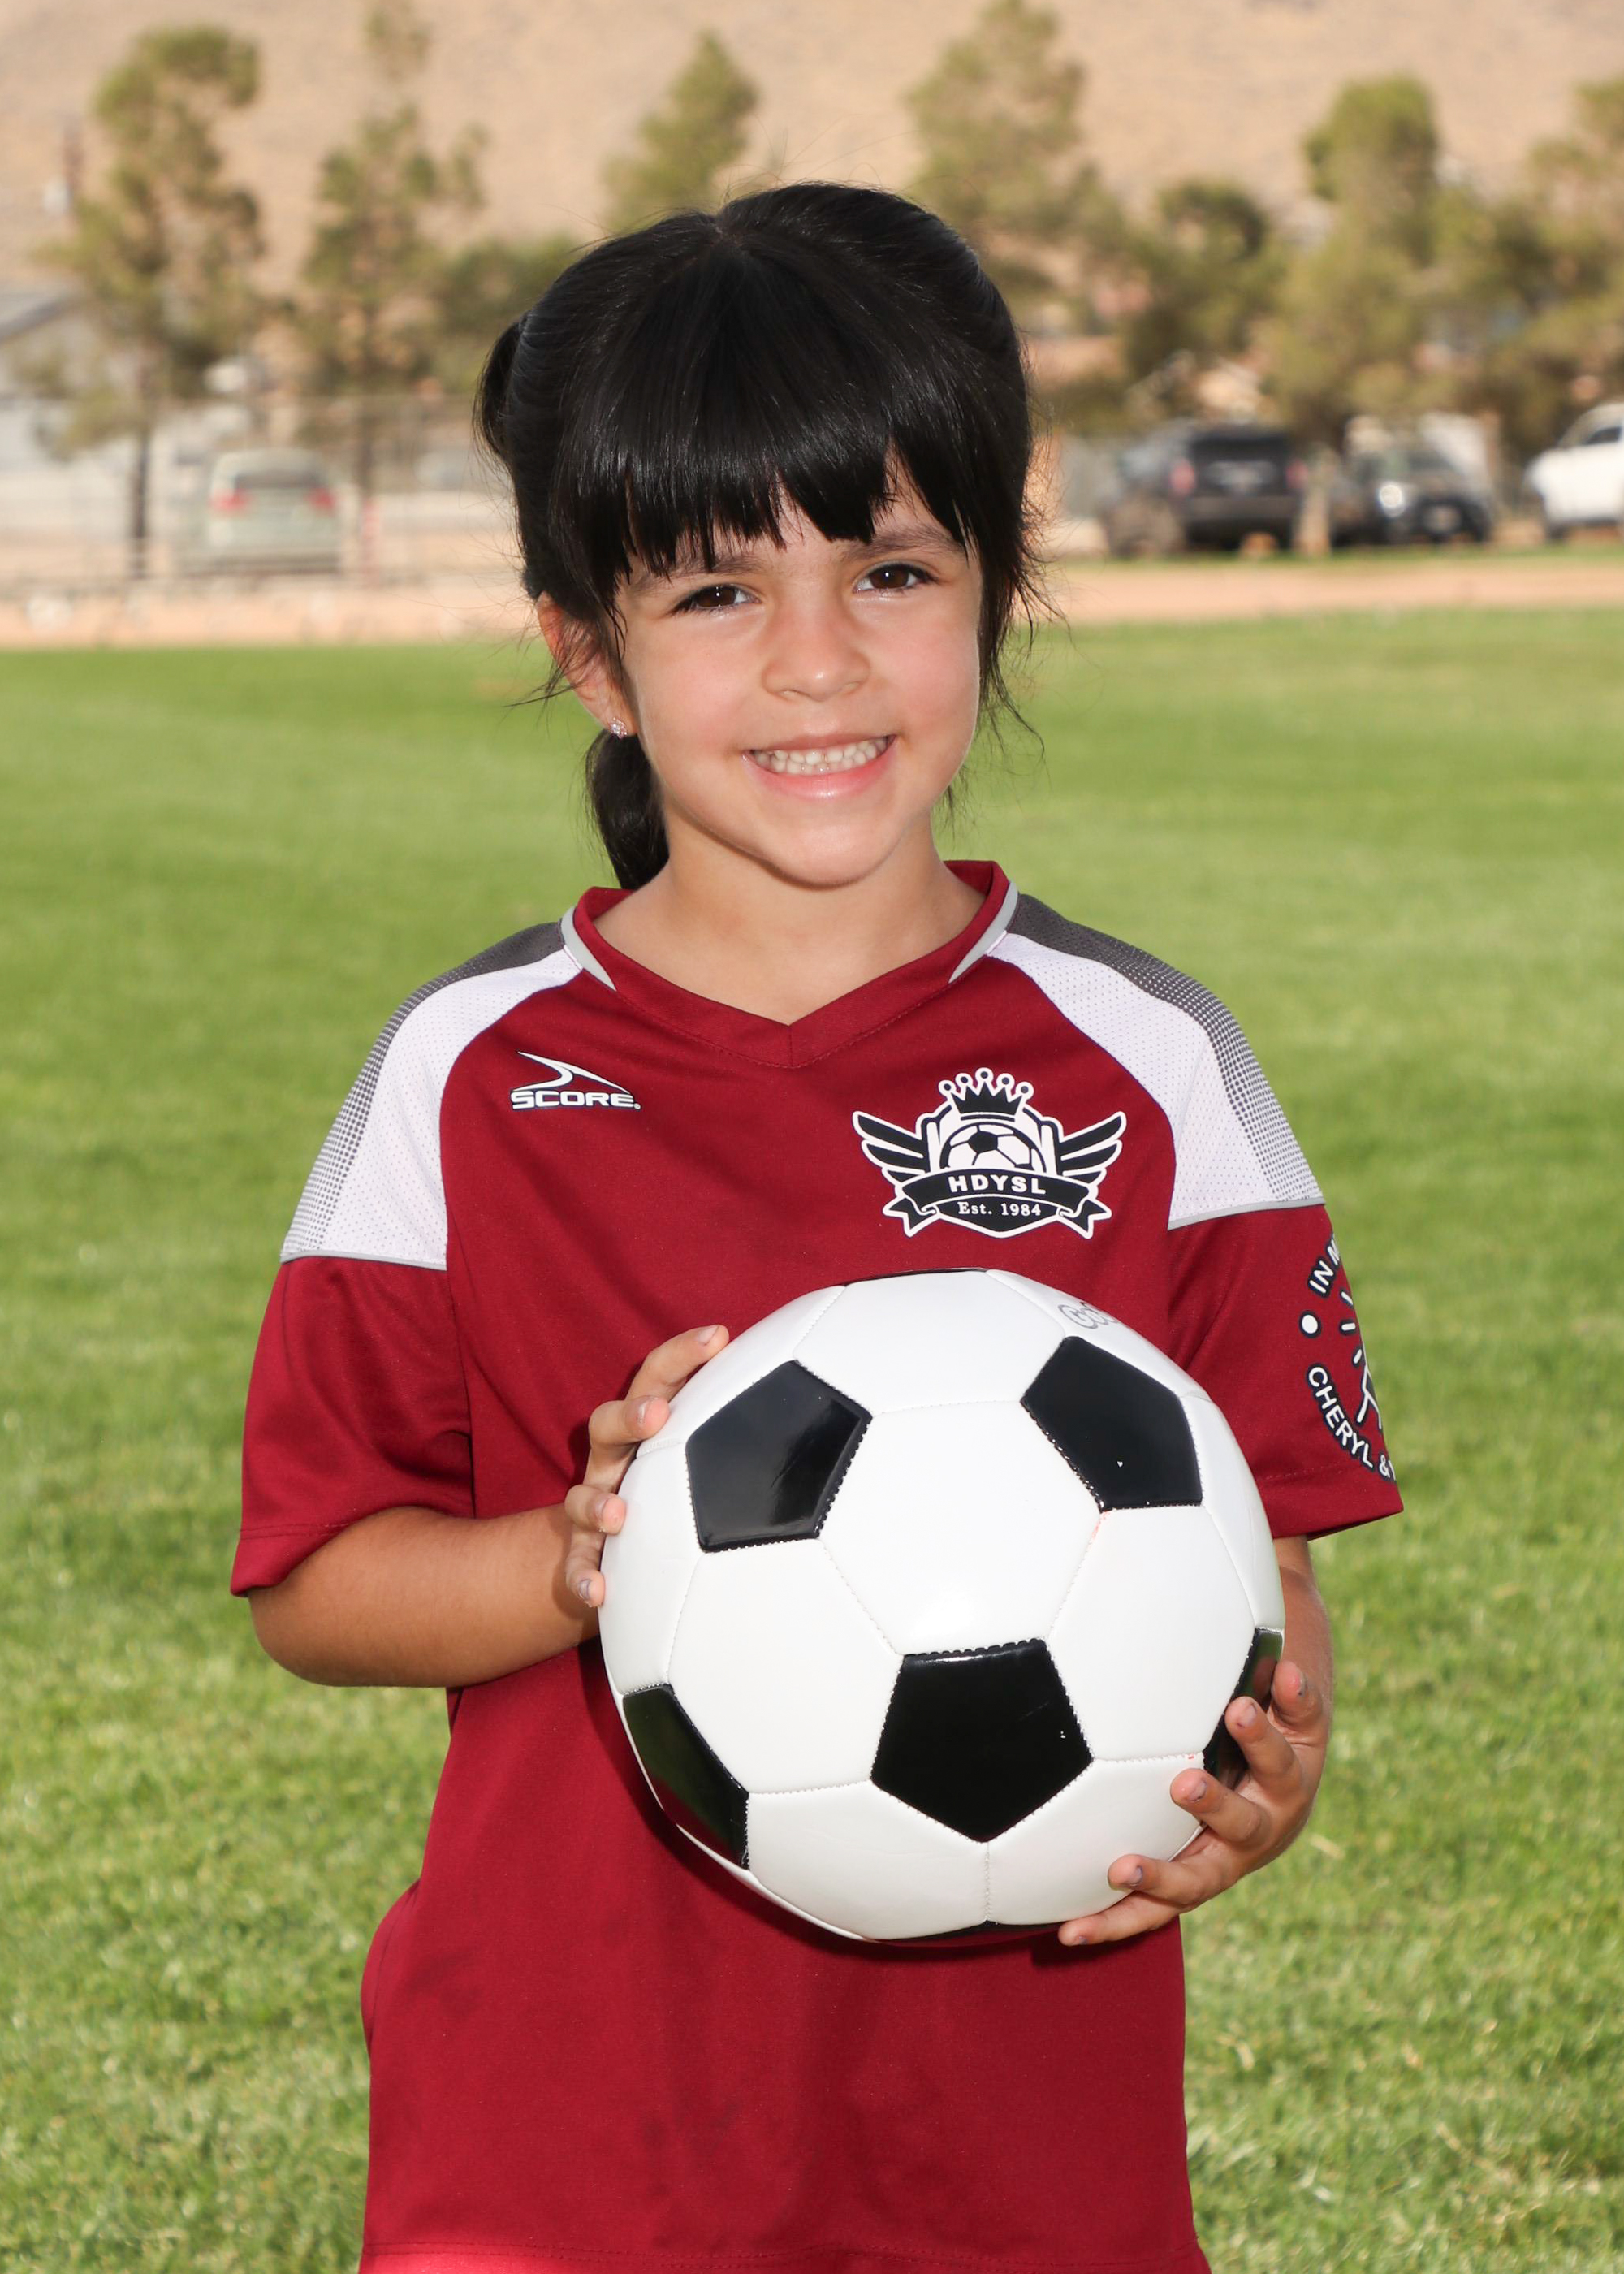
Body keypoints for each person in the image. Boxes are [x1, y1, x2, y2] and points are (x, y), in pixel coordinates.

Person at [232, 181, 1401, 2274]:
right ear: (586, 653)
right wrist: (567, 1559)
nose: (817, 661)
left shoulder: (1151, 1062)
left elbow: (1266, 1556)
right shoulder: (470, 1075)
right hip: (562, 2156)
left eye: (892, 569)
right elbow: (316, 1579)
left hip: (1023, 2171)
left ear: (998, 588)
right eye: (714, 591)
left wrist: (1268, 1768)